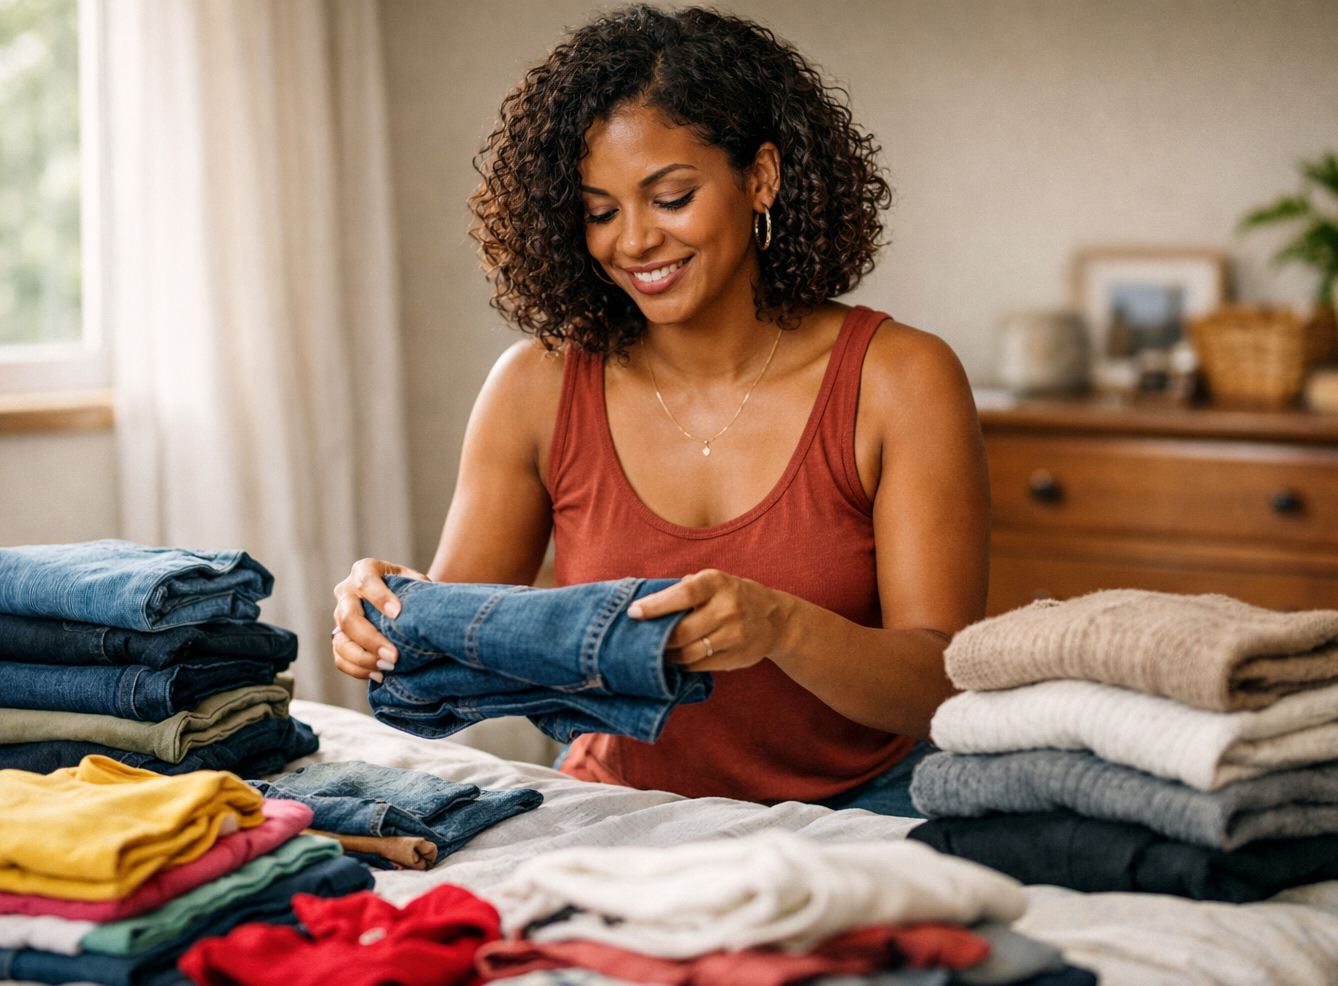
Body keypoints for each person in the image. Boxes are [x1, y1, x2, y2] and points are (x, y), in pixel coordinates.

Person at [332, 5, 989, 816]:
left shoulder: (900, 378)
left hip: (862, 814)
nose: (634, 241)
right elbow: (461, 648)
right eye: (600, 211)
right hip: (623, 814)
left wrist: (782, 628)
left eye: (670, 198)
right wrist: (393, 615)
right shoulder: (535, 387)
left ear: (762, 178)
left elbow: (939, 687)